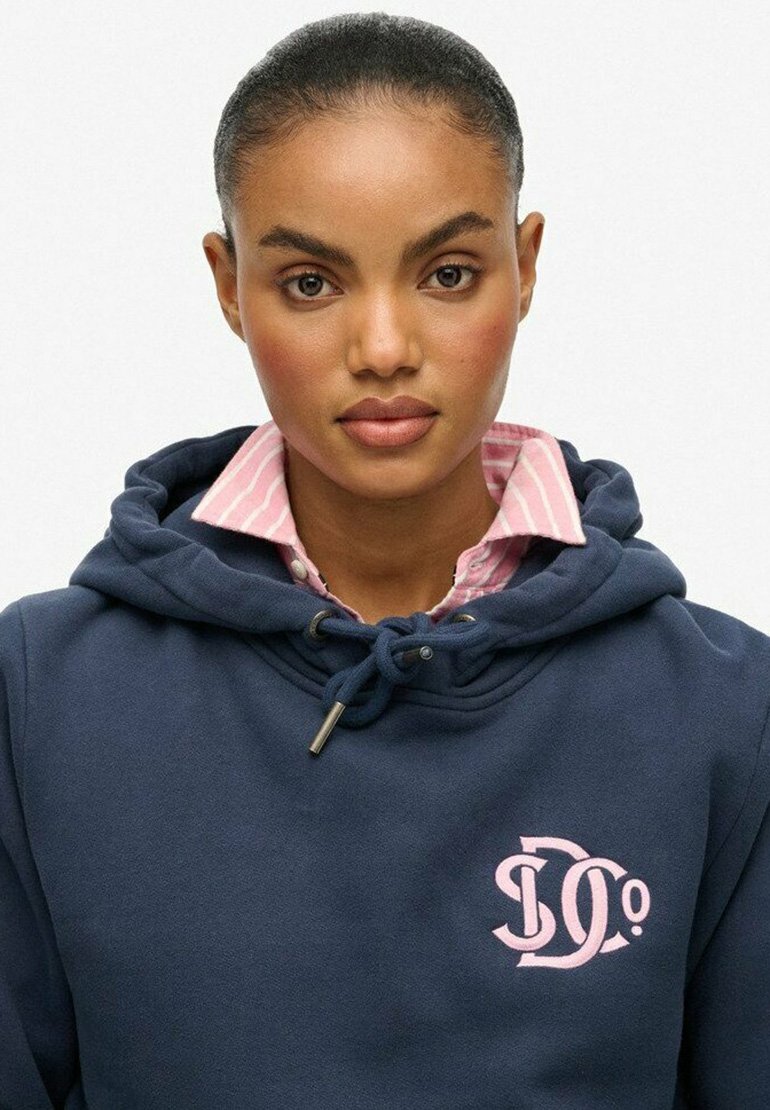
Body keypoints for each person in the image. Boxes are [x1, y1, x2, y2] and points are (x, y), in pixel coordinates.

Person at [1, 10, 768, 1108]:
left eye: (447, 273)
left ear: (524, 264)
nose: (382, 348)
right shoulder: (39, 695)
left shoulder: (726, 714)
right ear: (228, 284)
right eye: (310, 283)